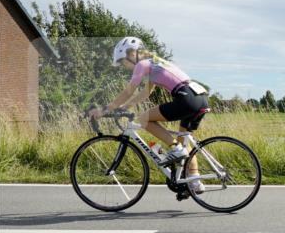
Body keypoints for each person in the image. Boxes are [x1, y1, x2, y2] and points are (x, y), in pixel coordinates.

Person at [87, 36, 209, 193]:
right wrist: (125, 106)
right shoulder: (155, 63)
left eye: (123, 62)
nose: (124, 66)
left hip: (186, 98)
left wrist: (104, 110)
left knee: (144, 119)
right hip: (200, 97)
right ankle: (195, 182)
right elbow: (146, 92)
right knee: (184, 141)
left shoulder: (141, 65)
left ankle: (175, 149)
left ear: (132, 54)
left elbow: (129, 91)